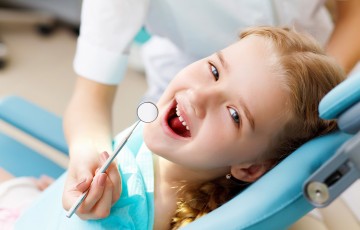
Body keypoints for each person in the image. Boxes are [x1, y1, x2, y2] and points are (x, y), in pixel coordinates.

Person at [11, 26, 350, 229]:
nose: (200, 95)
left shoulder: (128, 214)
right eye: (215, 71)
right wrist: (76, 169)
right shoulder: (174, 144)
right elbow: (88, 104)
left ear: (250, 167)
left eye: (234, 114)